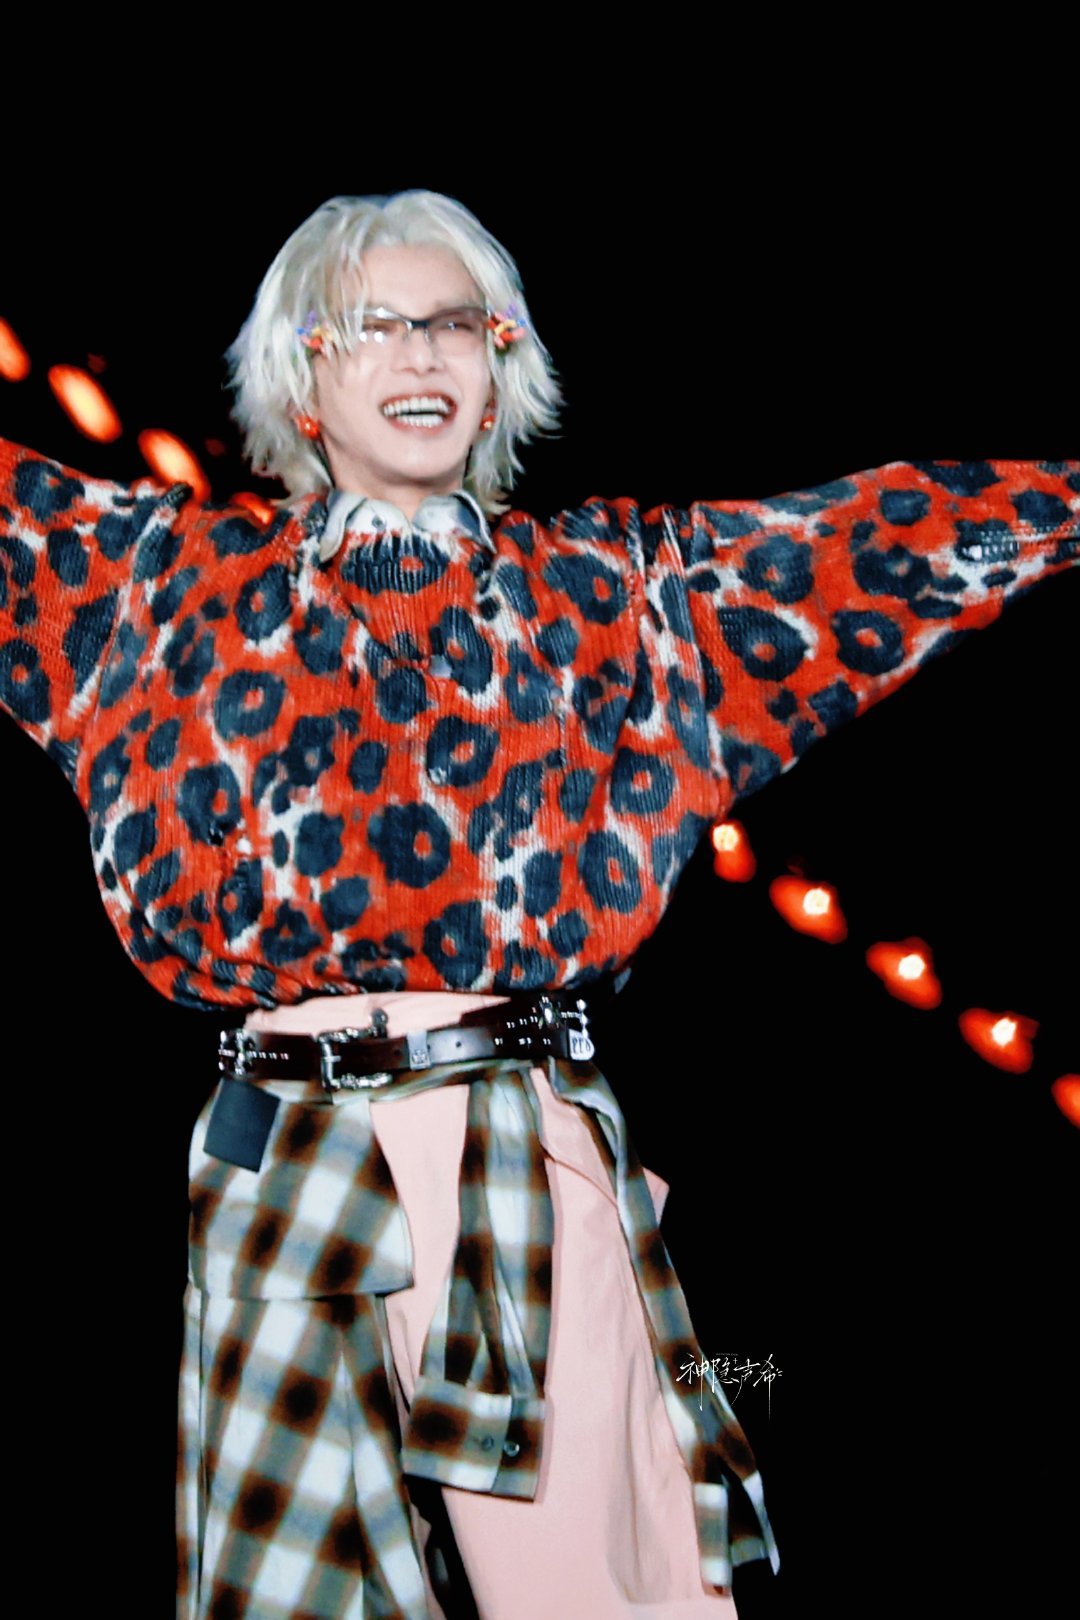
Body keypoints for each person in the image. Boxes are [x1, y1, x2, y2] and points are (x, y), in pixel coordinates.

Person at [0, 187, 1075, 1620]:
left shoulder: (617, 596)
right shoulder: (156, 589)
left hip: (504, 1144)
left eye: (459, 323)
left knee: (602, 1602)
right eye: (374, 325)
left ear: (502, 365)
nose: (422, 353)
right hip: (276, 1161)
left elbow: (873, 542)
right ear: (302, 374)